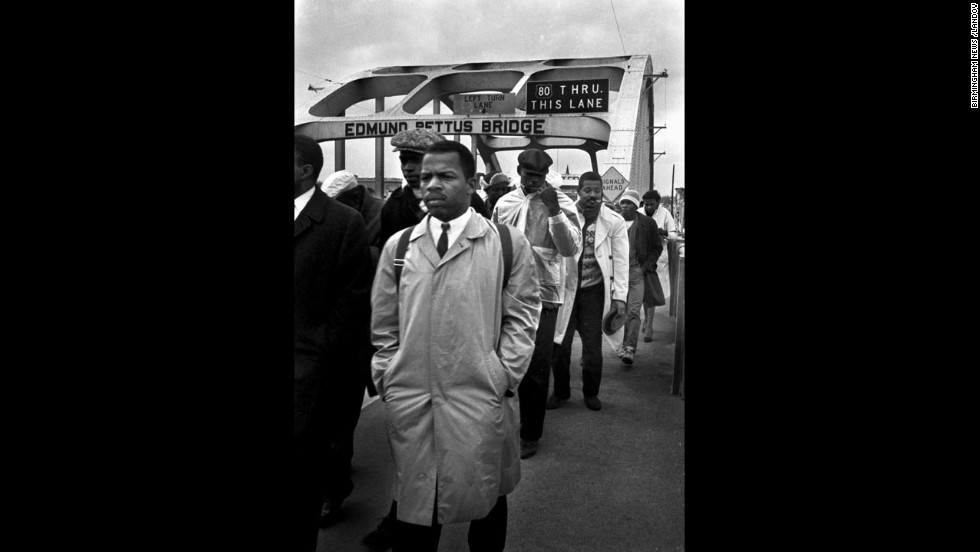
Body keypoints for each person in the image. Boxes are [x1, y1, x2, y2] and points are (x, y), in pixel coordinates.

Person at [371, 139, 541, 552]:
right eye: (425, 177)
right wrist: (388, 374)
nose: (430, 184)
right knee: (416, 508)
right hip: (414, 398)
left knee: (486, 499)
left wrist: (503, 374)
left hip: (481, 395)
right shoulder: (399, 246)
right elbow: (383, 323)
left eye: (445, 176)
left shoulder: (505, 243)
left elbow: (522, 314)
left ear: (471, 183)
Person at [293, 134, 373, 551]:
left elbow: (352, 302)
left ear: (305, 170)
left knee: (302, 480)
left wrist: (316, 359)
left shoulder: (343, 223)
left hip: (309, 379)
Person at [492, 149, 581, 459]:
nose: (534, 182)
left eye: (540, 177)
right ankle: (503, 426)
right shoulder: (505, 203)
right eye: (530, 176)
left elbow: (569, 249)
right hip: (506, 292)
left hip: (544, 296)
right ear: (519, 172)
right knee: (501, 361)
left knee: (536, 367)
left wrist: (554, 210)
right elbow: (493, 242)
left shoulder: (563, 203)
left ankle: (530, 434)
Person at [548, 172, 629, 411]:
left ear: (602, 192)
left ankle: (591, 393)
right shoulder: (565, 215)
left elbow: (621, 262)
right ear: (578, 192)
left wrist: (619, 297)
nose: (592, 196)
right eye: (587, 191)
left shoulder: (614, 221)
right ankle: (561, 392)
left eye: (597, 191)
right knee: (559, 345)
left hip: (594, 292)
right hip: (565, 290)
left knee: (593, 349)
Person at [377, 129, 489, 247]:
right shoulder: (394, 205)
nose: (408, 167)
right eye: (404, 160)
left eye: (416, 160)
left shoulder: (467, 198)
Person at [616, 189, 663, 364]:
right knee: (617, 310)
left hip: (636, 272)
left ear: (636, 205)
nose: (625, 206)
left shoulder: (647, 223)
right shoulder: (614, 222)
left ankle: (629, 348)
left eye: (628, 203)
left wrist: (646, 267)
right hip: (616, 274)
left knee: (634, 311)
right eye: (623, 202)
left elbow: (656, 247)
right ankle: (619, 345)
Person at [640, 190, 677, 341]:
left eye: (652, 204)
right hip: (642, 258)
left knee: (652, 292)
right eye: (646, 204)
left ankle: (649, 326)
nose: (648, 207)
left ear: (658, 203)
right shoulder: (638, 213)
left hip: (658, 258)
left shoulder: (665, 213)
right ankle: (647, 319)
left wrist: (665, 232)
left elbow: (674, 236)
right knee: (642, 292)